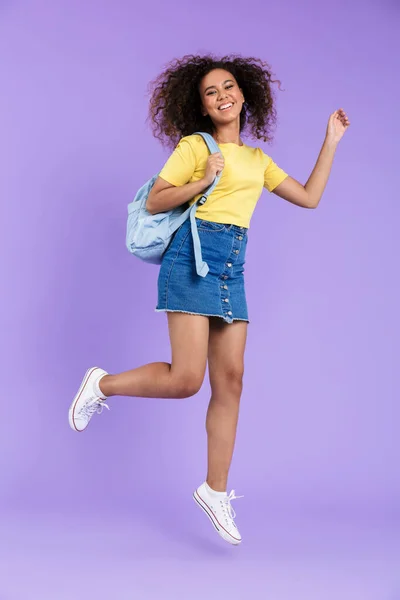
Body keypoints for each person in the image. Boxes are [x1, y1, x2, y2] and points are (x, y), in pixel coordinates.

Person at [68, 54, 350, 546]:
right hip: (192, 258)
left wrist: (330, 142)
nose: (222, 95)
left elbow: (309, 197)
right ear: (201, 106)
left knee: (233, 381)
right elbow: (156, 199)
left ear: (245, 95)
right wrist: (204, 178)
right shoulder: (194, 146)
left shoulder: (259, 160)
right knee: (185, 380)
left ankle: (215, 490)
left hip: (232, 267)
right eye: (210, 92)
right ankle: (102, 384)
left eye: (228, 87)